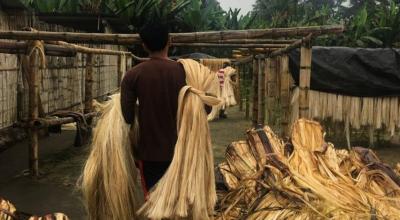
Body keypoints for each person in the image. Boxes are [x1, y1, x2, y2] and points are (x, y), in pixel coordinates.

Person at [120, 21, 210, 195]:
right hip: (184, 153)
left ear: (144, 45)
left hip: (149, 156)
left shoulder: (132, 76)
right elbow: (205, 110)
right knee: (182, 204)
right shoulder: (188, 73)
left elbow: (127, 117)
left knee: (154, 206)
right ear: (170, 41)